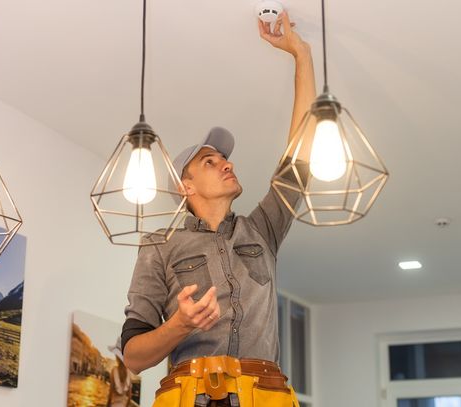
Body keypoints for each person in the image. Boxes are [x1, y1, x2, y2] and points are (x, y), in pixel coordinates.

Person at [121, 11, 316, 407]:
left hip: (266, 397)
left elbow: (299, 159)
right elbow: (133, 357)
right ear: (185, 186)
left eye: (226, 159)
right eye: (210, 161)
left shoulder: (263, 229)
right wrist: (178, 325)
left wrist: (302, 55)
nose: (227, 163)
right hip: (190, 397)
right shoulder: (158, 245)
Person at [108, 338, 133, 407]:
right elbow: (130, 395)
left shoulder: (114, 371)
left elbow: (111, 392)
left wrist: (107, 405)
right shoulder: (129, 373)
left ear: (117, 357)